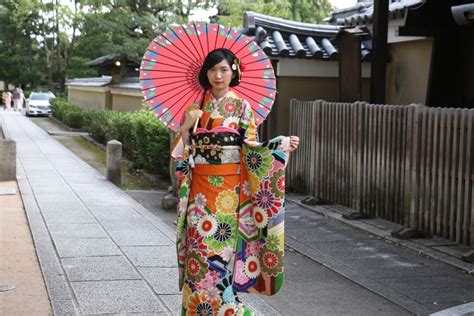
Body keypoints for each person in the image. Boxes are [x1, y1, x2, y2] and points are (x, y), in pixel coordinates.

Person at [172, 48, 299, 315]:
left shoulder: (242, 107)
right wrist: (186, 128)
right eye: (212, 69)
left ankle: (228, 311)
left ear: (234, 72)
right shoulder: (195, 108)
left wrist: (281, 145)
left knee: (217, 257)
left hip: (227, 195)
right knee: (198, 254)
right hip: (198, 194)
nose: (217, 75)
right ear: (205, 73)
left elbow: (252, 149)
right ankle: (199, 308)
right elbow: (183, 156)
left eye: (223, 70)